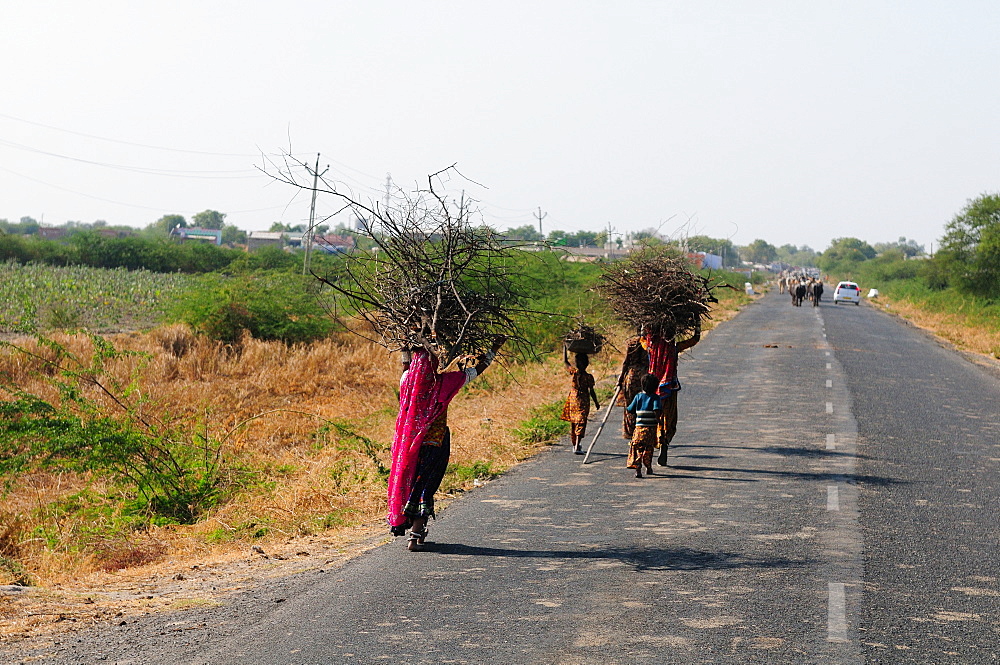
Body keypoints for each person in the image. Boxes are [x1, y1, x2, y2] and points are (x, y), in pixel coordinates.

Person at [388, 335, 507, 551]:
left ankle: (415, 534)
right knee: (425, 486)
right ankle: (415, 534)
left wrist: (405, 348)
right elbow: (476, 371)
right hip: (434, 444)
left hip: (407, 446)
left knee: (412, 482)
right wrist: (493, 349)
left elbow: (405, 368)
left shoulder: (407, 381)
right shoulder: (442, 383)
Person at [644, 323, 701, 466]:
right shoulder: (674, 347)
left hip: (652, 391)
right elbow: (695, 339)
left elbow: (642, 338)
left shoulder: (650, 346)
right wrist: (696, 322)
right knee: (668, 419)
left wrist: (643, 326)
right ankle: (664, 443)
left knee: (653, 419)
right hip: (669, 389)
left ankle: (652, 446)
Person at [560, 347, 600, 454]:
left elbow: (565, 361)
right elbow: (591, 391)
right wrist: (596, 403)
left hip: (573, 399)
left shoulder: (574, 372)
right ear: (587, 364)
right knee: (581, 421)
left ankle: (576, 444)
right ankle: (577, 445)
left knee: (575, 422)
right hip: (583, 400)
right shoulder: (588, 376)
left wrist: (565, 348)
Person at [626, 373, 662, 478]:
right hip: (651, 429)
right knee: (648, 448)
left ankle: (638, 469)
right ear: (656, 387)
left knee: (637, 447)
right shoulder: (656, 398)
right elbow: (657, 410)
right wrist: (659, 420)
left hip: (639, 429)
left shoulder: (638, 397)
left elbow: (630, 409)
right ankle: (648, 467)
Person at [615, 334, 650, 439]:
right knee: (643, 404)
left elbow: (626, 362)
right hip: (644, 376)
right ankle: (640, 431)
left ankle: (631, 432)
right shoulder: (648, 342)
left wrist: (620, 379)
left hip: (632, 376)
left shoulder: (632, 343)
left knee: (630, 404)